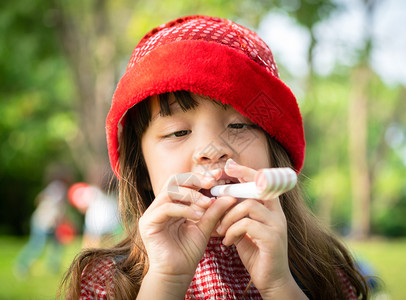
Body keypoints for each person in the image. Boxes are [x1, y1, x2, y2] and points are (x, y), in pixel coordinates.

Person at [61, 15, 368, 299]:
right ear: (141, 168)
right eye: (178, 132)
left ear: (274, 156)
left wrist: (279, 285)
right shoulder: (105, 282)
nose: (212, 150)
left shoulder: (325, 273)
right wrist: (166, 278)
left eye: (239, 125)